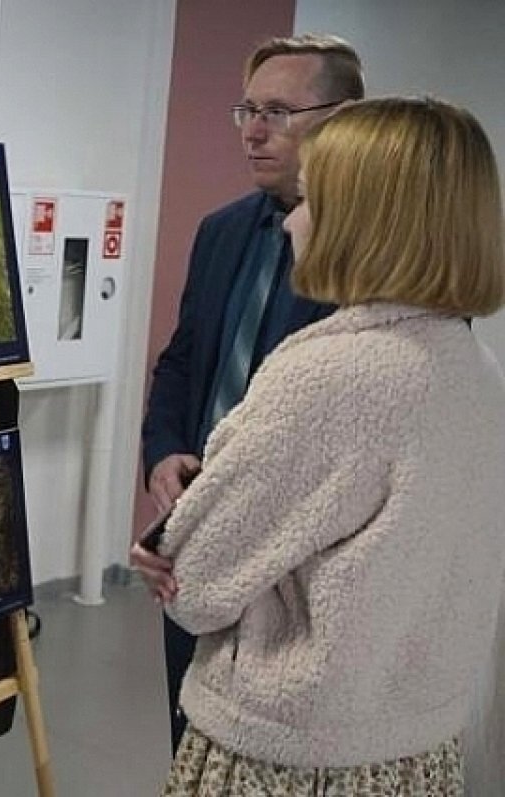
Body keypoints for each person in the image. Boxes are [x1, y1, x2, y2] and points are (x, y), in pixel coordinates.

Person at [157, 95, 505, 794]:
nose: (290, 219)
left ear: (368, 222)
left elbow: (194, 581)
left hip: (292, 758)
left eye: (311, 198)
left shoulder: (334, 374)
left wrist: (173, 548)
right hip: (416, 752)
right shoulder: (474, 367)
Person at [134, 33, 365, 753]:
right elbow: (180, 362)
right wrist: (165, 451)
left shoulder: (372, 255)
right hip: (197, 543)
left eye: (278, 111)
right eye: (247, 110)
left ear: (345, 119)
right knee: (191, 737)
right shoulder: (222, 232)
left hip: (295, 572)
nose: (255, 131)